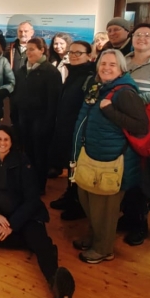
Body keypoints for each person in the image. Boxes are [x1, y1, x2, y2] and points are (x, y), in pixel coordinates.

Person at [0, 125, 75, 298]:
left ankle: (57, 286)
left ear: (12, 142)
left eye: (6, 139)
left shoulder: (23, 161)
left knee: (41, 245)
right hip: (1, 213)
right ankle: (32, 243)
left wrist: (13, 225)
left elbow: (32, 200)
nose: (2, 143)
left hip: (25, 214)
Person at [72, 49, 148, 263]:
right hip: (92, 158)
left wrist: (110, 111)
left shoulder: (124, 93)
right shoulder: (98, 88)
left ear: (121, 69)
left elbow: (141, 126)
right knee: (90, 203)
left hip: (112, 162)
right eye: (103, 64)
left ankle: (103, 249)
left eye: (112, 65)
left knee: (105, 210)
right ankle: (94, 238)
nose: (106, 68)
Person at [121, 23, 150, 244]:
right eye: (138, 34)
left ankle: (140, 224)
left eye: (147, 35)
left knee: (143, 178)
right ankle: (128, 216)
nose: (142, 38)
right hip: (122, 125)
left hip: (147, 131)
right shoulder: (123, 61)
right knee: (126, 174)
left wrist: (138, 100)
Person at [49, 41, 95, 218]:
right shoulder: (73, 74)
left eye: (79, 53)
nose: (74, 55)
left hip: (78, 130)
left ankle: (78, 204)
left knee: (77, 166)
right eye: (72, 52)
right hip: (66, 128)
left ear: (89, 56)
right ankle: (70, 196)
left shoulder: (89, 77)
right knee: (71, 165)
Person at [11, 37, 62, 194]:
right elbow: (16, 96)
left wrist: (48, 124)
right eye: (27, 49)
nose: (29, 52)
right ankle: (27, 183)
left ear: (42, 50)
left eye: (32, 49)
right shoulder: (21, 72)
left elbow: (53, 102)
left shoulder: (51, 72)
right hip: (23, 119)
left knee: (40, 155)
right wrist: (15, 117)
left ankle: (39, 187)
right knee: (26, 153)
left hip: (41, 121)